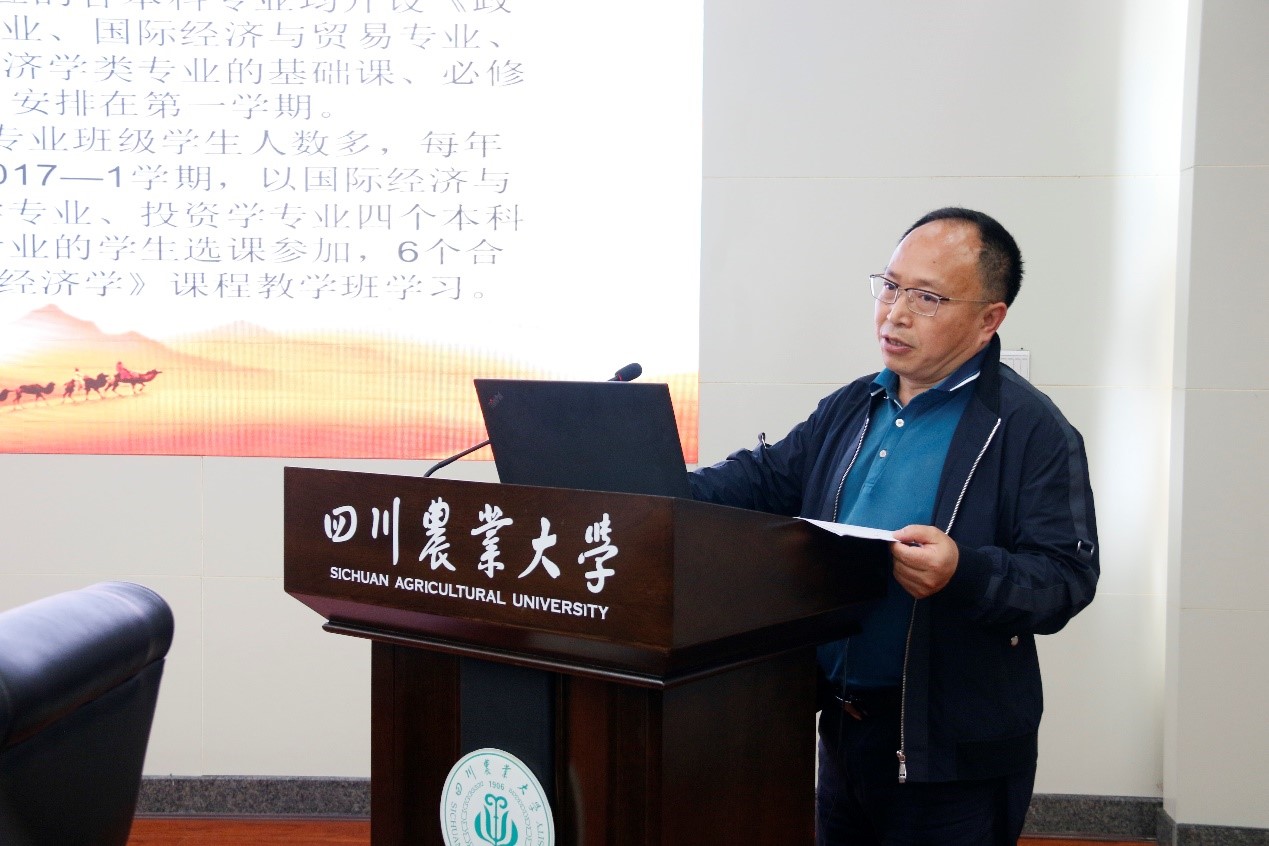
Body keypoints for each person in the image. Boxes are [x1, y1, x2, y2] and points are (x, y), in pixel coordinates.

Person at [689, 207, 1099, 845]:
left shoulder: (1030, 429)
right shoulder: (856, 404)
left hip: (952, 756)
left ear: (989, 319)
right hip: (845, 729)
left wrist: (964, 571)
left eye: (927, 297)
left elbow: (1065, 578)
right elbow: (764, 479)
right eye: (890, 286)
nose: (895, 313)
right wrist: (651, 478)